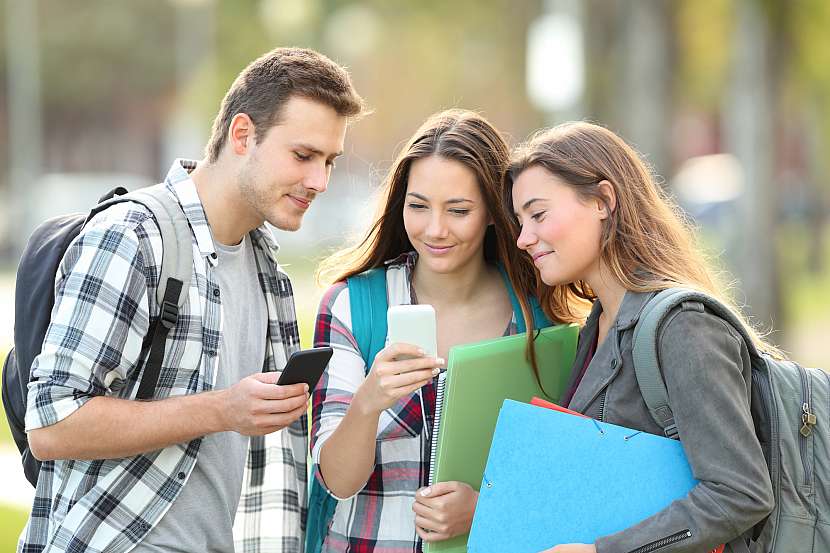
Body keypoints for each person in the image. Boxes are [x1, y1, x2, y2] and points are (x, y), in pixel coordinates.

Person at [19, 47, 365, 553]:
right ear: (243, 135)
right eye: (303, 155)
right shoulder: (135, 235)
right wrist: (224, 409)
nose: (320, 181)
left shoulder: (268, 270)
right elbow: (51, 423)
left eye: (330, 161)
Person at [505, 121, 775, 553]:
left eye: (538, 215)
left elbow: (740, 492)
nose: (523, 238)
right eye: (520, 221)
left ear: (603, 201)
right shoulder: (595, 326)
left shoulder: (683, 326)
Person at [310, 109, 555, 552]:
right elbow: (337, 482)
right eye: (418, 206)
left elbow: (560, 479)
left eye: (458, 210)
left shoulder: (539, 320)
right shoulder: (352, 307)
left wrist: (485, 507)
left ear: (494, 214)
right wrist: (368, 403)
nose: (435, 229)